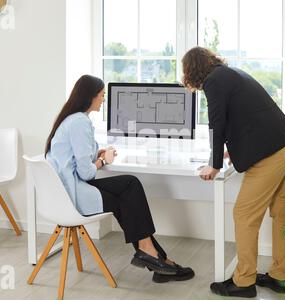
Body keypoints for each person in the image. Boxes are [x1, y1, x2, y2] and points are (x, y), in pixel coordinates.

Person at [45, 75, 194, 283]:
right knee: (128, 194)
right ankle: (155, 257)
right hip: (74, 195)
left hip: (66, 191)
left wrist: (99, 154)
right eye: (102, 95)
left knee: (129, 187)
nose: (104, 99)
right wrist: (103, 162)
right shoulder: (79, 122)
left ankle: (153, 256)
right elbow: (86, 173)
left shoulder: (73, 119)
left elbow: (77, 157)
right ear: (90, 97)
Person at [182, 47, 285, 298]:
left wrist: (214, 164)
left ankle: (244, 281)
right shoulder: (230, 73)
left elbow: (217, 123)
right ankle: (279, 276)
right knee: (283, 214)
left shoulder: (214, 82)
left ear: (192, 70)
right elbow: (246, 118)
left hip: (271, 154)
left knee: (244, 215)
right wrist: (231, 151)